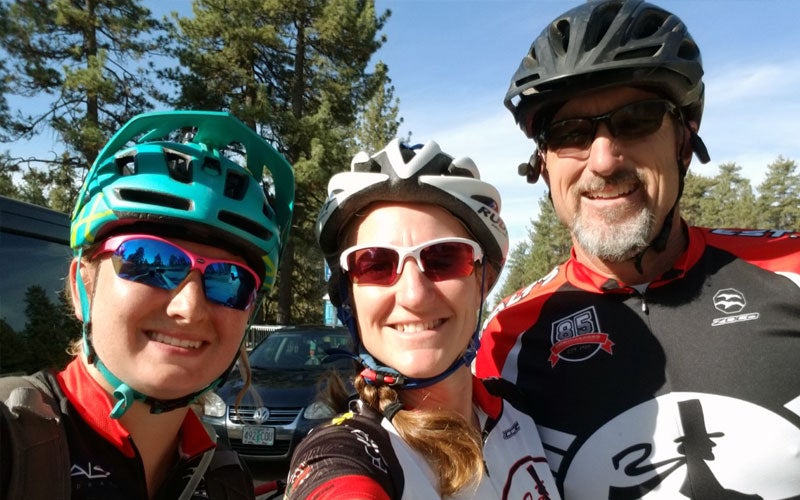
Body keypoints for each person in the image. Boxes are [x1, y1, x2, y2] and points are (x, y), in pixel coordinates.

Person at [475, 0, 800, 498]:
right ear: (541, 165)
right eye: (569, 133)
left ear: (684, 144)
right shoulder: (506, 340)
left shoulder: (791, 270)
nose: (604, 160)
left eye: (637, 119)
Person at [0, 110, 294, 499]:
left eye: (230, 280)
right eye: (147, 261)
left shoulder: (225, 479)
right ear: (80, 287)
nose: (189, 308)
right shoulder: (11, 439)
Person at [284, 139, 560, 499]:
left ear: (482, 282)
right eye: (376, 264)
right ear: (347, 297)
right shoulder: (347, 453)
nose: (414, 295)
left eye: (445, 258)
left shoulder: (516, 408)